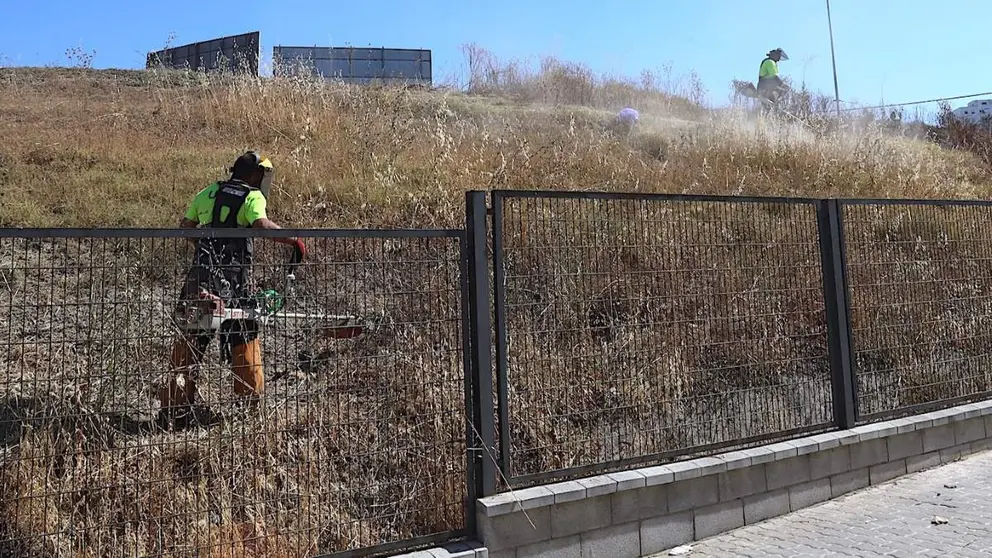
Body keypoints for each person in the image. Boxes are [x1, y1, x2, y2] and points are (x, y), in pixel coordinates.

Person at [158, 151, 306, 424]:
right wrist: (295, 240)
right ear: (254, 174)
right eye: (262, 174)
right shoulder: (252, 197)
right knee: (244, 340)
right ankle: (249, 411)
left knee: (189, 343)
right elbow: (262, 225)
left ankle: (174, 410)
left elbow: (186, 226)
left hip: (199, 282)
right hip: (233, 287)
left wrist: (205, 251)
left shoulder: (208, 193)